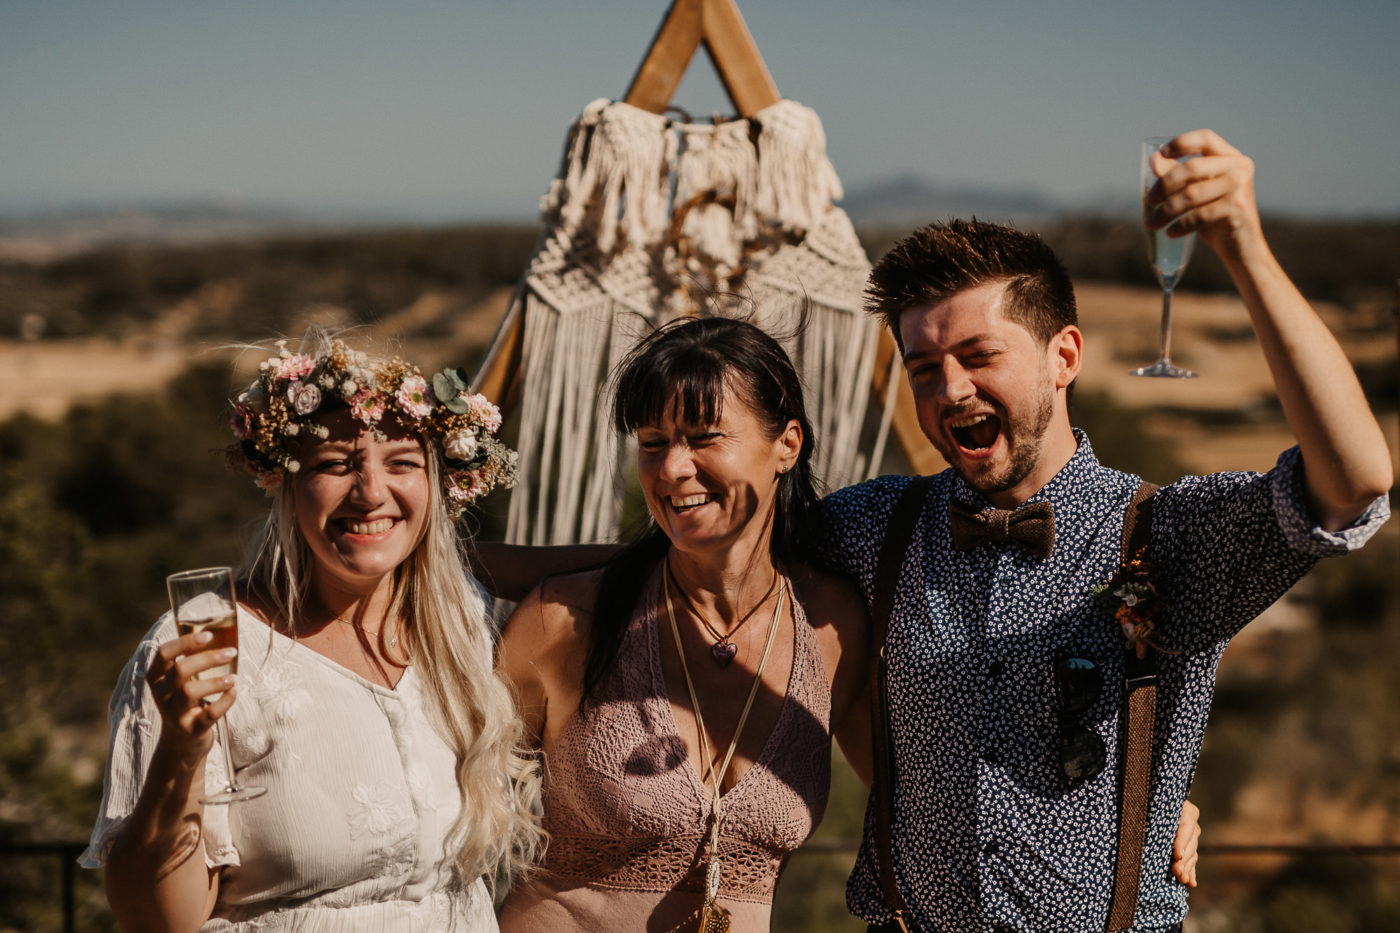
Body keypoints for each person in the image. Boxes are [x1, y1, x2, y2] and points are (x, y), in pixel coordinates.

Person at [820, 130, 1392, 931]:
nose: (950, 388)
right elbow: (715, 552)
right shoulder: (876, 525)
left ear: (1065, 356)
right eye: (924, 367)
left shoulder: (1165, 536)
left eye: (979, 354)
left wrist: (1243, 247)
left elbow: (1354, 480)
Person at [481, 316, 1203, 932]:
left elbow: (930, 787)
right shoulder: (562, 622)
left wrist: (1134, 808)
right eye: (651, 443)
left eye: (705, 436)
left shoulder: (832, 625)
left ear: (786, 445)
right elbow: (438, 791)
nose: (672, 469)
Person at [82, 335, 543, 931]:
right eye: (334, 464)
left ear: (436, 484)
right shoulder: (208, 649)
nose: (371, 492)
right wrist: (180, 752)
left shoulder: (458, 624)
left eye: (401, 462)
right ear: (285, 484)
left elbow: (587, 572)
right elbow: (160, 920)